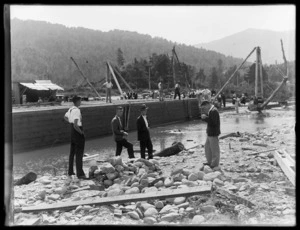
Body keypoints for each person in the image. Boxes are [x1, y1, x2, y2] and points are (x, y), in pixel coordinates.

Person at [64, 95, 87, 179]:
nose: (81, 102)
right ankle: (80, 173)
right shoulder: (77, 110)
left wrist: (70, 121)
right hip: (77, 132)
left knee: (72, 153)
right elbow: (76, 125)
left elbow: (65, 117)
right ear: (77, 101)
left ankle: (70, 171)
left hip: (72, 133)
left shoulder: (71, 109)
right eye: (80, 101)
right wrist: (81, 133)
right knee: (79, 154)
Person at [200, 100, 221, 171]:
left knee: (214, 149)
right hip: (210, 133)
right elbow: (211, 121)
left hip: (213, 133)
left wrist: (205, 118)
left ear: (207, 105)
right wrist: (205, 118)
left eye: (204, 108)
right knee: (207, 147)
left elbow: (213, 122)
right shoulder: (211, 110)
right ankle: (209, 161)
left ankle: (214, 164)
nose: (204, 109)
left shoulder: (214, 111)